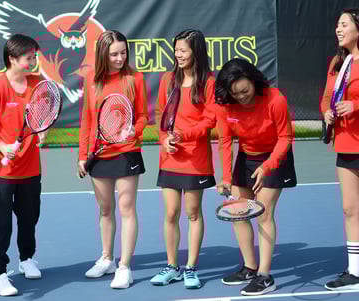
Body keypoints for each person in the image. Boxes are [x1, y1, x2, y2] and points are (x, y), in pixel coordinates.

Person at [215, 58, 296, 296]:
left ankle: (264, 276)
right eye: (236, 93)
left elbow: (286, 137)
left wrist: (268, 165)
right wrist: (227, 177)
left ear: (253, 80)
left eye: (245, 90)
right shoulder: (225, 105)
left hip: (275, 157)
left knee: (263, 212)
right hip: (246, 157)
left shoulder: (275, 99)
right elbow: (225, 141)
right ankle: (249, 267)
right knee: (238, 212)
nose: (242, 96)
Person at [78, 30, 149, 289]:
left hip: (127, 150)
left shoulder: (135, 78)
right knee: (105, 209)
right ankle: (106, 258)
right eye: (114, 54)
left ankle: (124, 266)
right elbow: (86, 119)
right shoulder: (91, 80)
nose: (120, 58)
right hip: (99, 153)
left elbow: (142, 116)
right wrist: (82, 156)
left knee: (126, 208)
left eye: (123, 52)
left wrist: (135, 130)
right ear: (102, 55)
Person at [0, 34, 47, 296]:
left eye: (34, 57)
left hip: (31, 167)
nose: (33, 61)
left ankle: (27, 258)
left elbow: (43, 113)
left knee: (30, 217)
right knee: (1, 223)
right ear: (13, 59)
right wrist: (2, 145)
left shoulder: (38, 83)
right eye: (29, 57)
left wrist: (43, 131)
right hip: (1, 171)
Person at [150, 29, 216, 289]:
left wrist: (185, 134)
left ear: (196, 51)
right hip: (170, 156)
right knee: (170, 213)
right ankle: (172, 266)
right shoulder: (168, 79)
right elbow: (160, 114)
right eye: (176, 50)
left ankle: (190, 267)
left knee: (191, 213)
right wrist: (164, 139)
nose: (178, 54)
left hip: (195, 158)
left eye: (183, 50)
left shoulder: (208, 82)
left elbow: (210, 119)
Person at [320, 8, 359, 296]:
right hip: (345, 145)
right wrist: (327, 113)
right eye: (337, 25)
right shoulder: (337, 63)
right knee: (350, 209)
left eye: (344, 24)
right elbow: (327, 98)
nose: (338, 29)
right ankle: (355, 272)